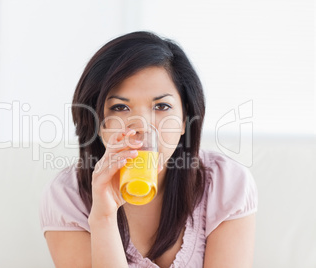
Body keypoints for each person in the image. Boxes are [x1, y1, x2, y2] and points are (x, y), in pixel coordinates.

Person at [39, 31, 258, 268]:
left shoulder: (226, 184)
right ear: (96, 123)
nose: (141, 126)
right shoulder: (67, 196)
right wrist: (103, 218)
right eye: (120, 107)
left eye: (162, 106)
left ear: (185, 119)